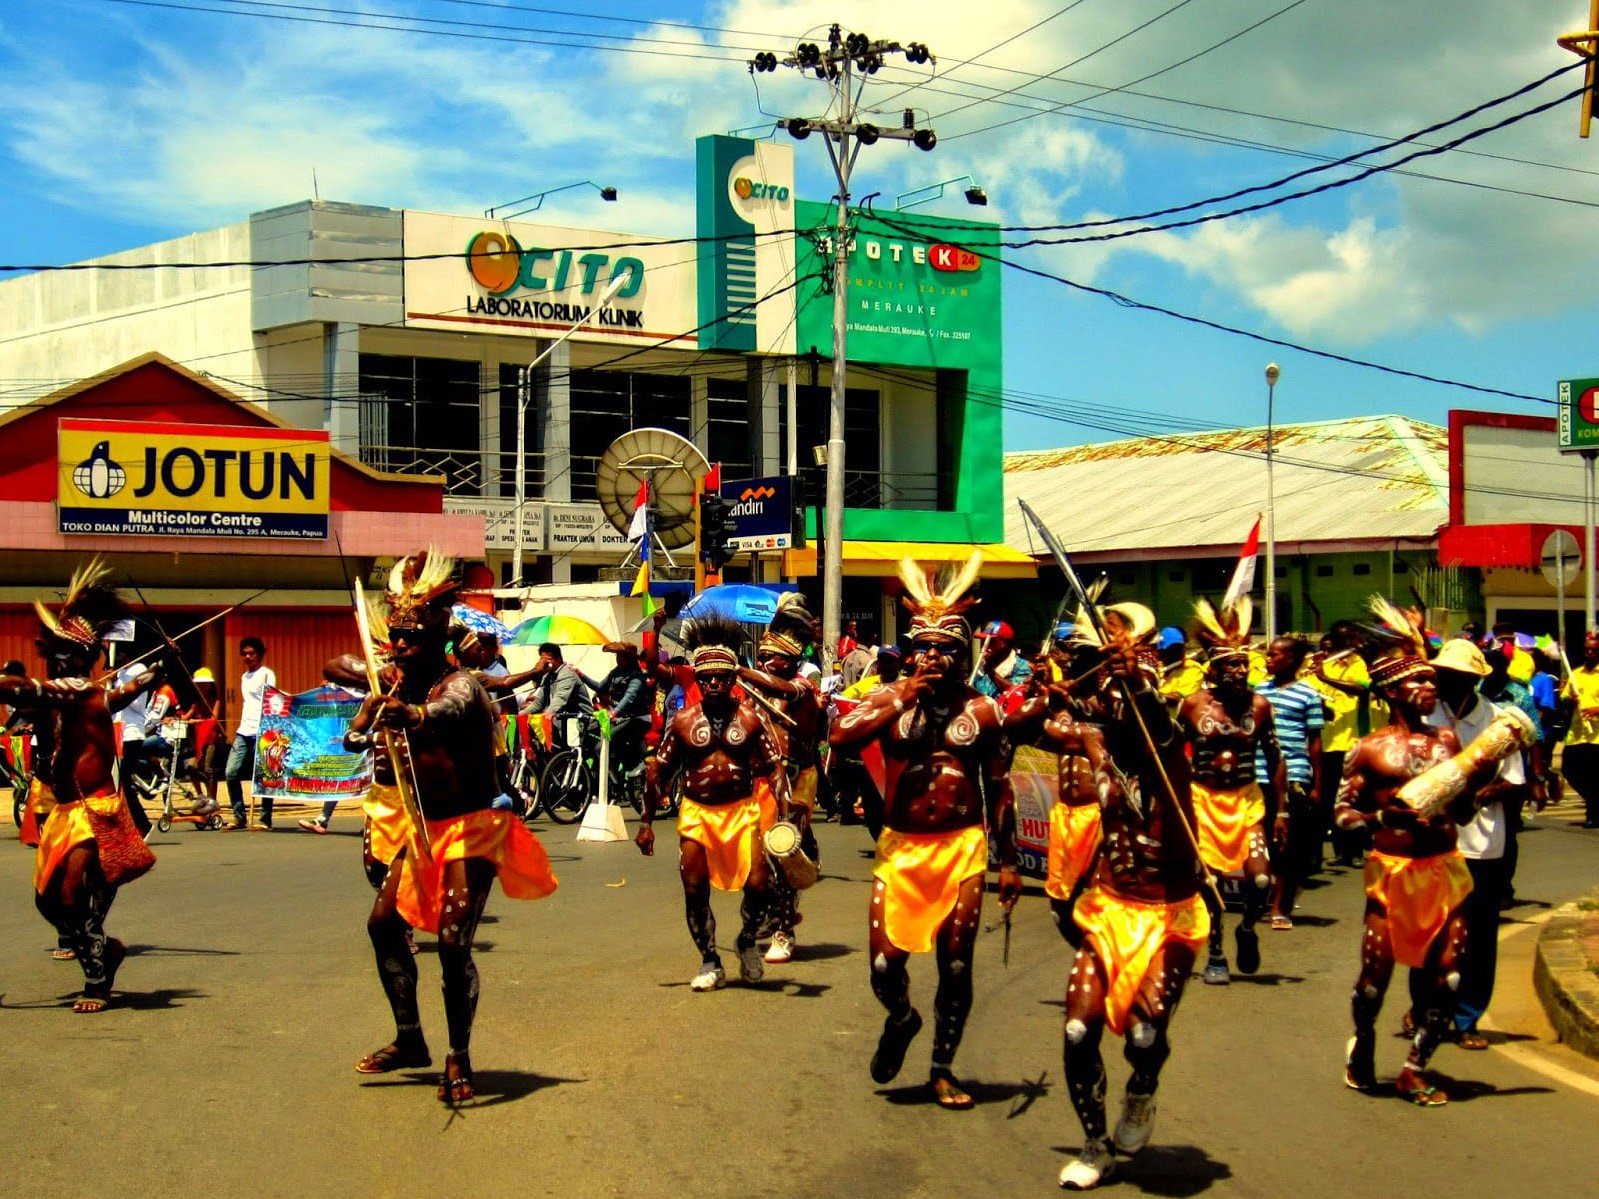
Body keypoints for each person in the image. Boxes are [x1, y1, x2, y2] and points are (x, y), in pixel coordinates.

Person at [347, 550, 557, 1103]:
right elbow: (353, 710)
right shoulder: (395, 682)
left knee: (451, 943)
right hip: (422, 831)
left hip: (472, 827)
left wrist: (411, 715)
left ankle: (459, 1056)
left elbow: (447, 711)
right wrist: (370, 712)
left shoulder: (459, 684)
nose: (400, 646)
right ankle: (410, 1038)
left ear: (438, 635)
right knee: (382, 925)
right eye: (395, 637)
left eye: (411, 639)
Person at [830, 554, 1022, 1111]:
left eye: (946, 649)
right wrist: (901, 696)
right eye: (926, 648)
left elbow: (1000, 788)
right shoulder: (889, 702)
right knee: (885, 967)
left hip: (962, 848)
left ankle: (942, 1067)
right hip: (901, 849)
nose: (934, 657)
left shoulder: (984, 712)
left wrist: (1008, 861)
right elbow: (839, 737)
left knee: (956, 962)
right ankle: (903, 1017)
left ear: (964, 655)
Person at [1333, 598, 1527, 1106]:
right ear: (1391, 691)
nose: (1429, 688)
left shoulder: (1446, 742)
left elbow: (1460, 815)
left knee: (1449, 977)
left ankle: (1415, 1067)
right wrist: (1380, 819)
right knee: (1374, 982)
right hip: (1392, 875)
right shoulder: (1368, 750)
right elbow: (1342, 820)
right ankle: (1365, 1039)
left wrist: (1477, 776)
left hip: (1444, 869)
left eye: (1430, 681)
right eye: (1418, 682)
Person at [1051, 601, 1211, 1191]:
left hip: (1171, 913)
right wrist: (1059, 678)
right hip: (1109, 907)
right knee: (1075, 1030)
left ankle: (1141, 1091)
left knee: (1146, 1034)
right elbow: (1032, 718)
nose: (1109, 695)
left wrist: (1133, 680)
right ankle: (1095, 1145)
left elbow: (1154, 720)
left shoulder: (1166, 736)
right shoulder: (1093, 738)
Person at [2, 561, 157, 1012]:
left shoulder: (82, 694)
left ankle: (96, 981)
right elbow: (25, 694)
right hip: (63, 809)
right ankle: (104, 950)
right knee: (47, 902)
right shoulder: (60, 693)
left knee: (74, 892)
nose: (60, 662)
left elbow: (26, 689)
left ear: (86, 659)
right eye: (56, 656)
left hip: (96, 809)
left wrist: (162, 668)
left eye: (69, 656)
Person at [637, 617, 789, 991]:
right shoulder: (684, 722)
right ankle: (710, 960)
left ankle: (747, 941)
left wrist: (785, 816)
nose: (714, 683)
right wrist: (646, 822)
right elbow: (659, 771)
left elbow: (774, 767)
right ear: (699, 680)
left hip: (742, 812)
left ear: (733, 678)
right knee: (694, 888)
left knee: (759, 884)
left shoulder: (752, 719)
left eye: (722, 677)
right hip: (696, 814)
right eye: (706, 678)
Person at [1429, 639, 1534, 1050]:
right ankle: (1429, 1007)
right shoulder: (1425, 716)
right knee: (1432, 931)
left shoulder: (1500, 723)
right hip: (1434, 841)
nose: (1444, 681)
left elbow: (1515, 781)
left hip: (1484, 844)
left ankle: (1468, 1017)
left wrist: (1478, 792)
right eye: (1442, 674)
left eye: (1454, 676)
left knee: (1479, 933)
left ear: (1472, 680)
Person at [1178, 598, 1282, 985]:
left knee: (1259, 880)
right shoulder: (1192, 706)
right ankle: (1217, 950)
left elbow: (1276, 759)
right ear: (1214, 669)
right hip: (1203, 800)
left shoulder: (1260, 707)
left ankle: (1248, 928)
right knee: (1210, 883)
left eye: (1244, 664)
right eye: (1232, 665)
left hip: (1246, 800)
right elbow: (1173, 753)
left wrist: (1283, 810)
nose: (1240, 671)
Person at [737, 594, 824, 964]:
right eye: (764, 656)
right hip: (758, 781)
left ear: (791, 661)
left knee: (782, 854)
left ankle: (784, 931)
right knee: (751, 858)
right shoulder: (753, 692)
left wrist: (740, 671)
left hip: (794, 779)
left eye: (775, 658)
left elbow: (783, 690)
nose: (767, 661)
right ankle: (764, 917)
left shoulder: (800, 688)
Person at [1255, 637, 1323, 929]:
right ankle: (1260, 900)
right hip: (1258, 773)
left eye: (1274, 655)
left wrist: (1317, 783)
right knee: (1261, 839)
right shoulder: (1258, 691)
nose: (1267, 660)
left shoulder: (1309, 694)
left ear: (1292, 660)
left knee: (1286, 843)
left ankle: (1280, 906)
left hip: (1295, 774)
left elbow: (1315, 742)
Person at [1306, 620, 1370, 867]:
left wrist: (1327, 679)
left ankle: (1355, 852)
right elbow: (1310, 692)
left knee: (1352, 798)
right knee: (1329, 798)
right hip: (1326, 742)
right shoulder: (1322, 664)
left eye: (1350, 640)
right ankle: (1340, 851)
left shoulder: (1357, 663)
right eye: (1343, 641)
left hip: (1351, 741)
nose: (1348, 645)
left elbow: (1361, 689)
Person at [225, 636, 275, 830]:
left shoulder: (266, 674)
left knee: (264, 775)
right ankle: (239, 816)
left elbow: (272, 699)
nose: (248, 657)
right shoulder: (243, 677)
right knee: (231, 772)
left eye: (251, 653)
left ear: (260, 655)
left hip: (262, 730)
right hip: (243, 730)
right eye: (245, 653)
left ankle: (264, 819)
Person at [1559, 632, 1599, 828]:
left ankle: (1593, 813)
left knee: (1594, 775)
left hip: (1597, 737)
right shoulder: (1576, 674)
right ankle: (1595, 802)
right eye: (1587, 650)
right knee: (1570, 769)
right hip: (1577, 734)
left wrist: (1596, 709)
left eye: (1593, 650)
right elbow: (1564, 701)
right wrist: (1569, 699)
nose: (1589, 653)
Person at [521, 642, 591, 747]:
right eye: (542, 659)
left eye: (548, 659)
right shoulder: (547, 677)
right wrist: (520, 715)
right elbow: (538, 703)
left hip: (580, 723)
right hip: (561, 723)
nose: (544, 663)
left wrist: (545, 716)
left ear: (558, 658)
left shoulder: (567, 675)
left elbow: (558, 702)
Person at [972, 619, 1032, 698]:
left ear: (1005, 643)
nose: (986, 647)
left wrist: (991, 672)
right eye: (984, 642)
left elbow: (1015, 693)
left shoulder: (1022, 666)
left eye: (991, 642)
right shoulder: (983, 665)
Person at [1155, 627, 1204, 708]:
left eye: (1179, 648)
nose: (1177, 653)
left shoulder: (1193, 670)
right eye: (1172, 650)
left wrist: (1152, 695)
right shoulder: (1155, 668)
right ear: (1161, 652)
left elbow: (1176, 698)